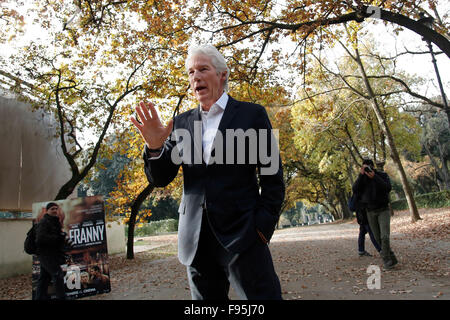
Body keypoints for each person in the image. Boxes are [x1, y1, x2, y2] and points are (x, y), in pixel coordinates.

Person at [131, 44, 285, 300]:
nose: (196, 77)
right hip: (196, 239)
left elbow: (272, 177)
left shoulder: (251, 115)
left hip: (245, 234)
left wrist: (262, 226)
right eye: (191, 72)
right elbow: (160, 178)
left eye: (203, 69)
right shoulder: (182, 122)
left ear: (222, 74)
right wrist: (154, 146)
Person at [352, 159, 398, 269]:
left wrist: (374, 177)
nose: (367, 170)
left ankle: (386, 260)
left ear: (373, 167)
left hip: (383, 210)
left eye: (368, 167)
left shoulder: (381, 175)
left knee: (385, 236)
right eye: (364, 168)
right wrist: (360, 175)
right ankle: (391, 257)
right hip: (370, 212)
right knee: (377, 238)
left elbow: (387, 188)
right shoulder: (362, 180)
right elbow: (355, 190)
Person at [35, 202, 67, 300]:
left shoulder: (55, 221)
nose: (54, 211)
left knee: (44, 279)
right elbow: (40, 239)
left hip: (52, 255)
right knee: (58, 275)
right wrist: (57, 237)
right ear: (47, 210)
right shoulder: (44, 222)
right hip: (46, 255)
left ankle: (39, 298)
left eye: (56, 209)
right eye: (52, 209)